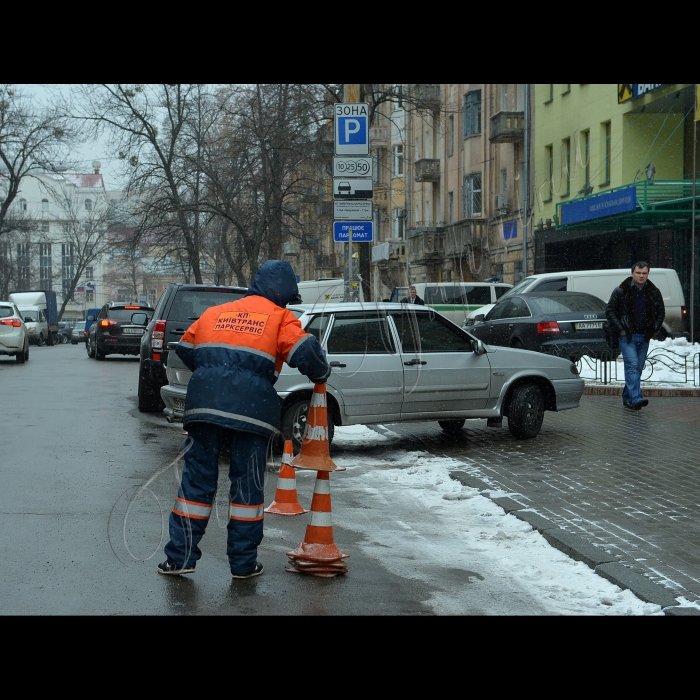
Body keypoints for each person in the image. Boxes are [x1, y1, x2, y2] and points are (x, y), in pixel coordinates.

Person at [158, 260, 331, 579]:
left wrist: (215, 370)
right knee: (246, 487)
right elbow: (309, 358)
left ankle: (179, 558)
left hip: (203, 405)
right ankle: (242, 564)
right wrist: (322, 373)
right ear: (281, 292)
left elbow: (184, 347)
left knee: (195, 482)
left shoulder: (216, 312)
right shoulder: (280, 318)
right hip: (252, 410)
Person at [605, 261, 665, 410]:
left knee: (637, 368)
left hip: (644, 336)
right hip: (627, 336)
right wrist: (621, 329)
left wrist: (653, 329)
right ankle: (637, 398)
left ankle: (627, 397)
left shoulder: (654, 292)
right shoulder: (621, 290)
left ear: (648, 274)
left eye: (644, 273)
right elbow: (610, 311)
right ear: (632, 273)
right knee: (632, 366)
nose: (641, 276)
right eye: (638, 273)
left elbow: (661, 313)